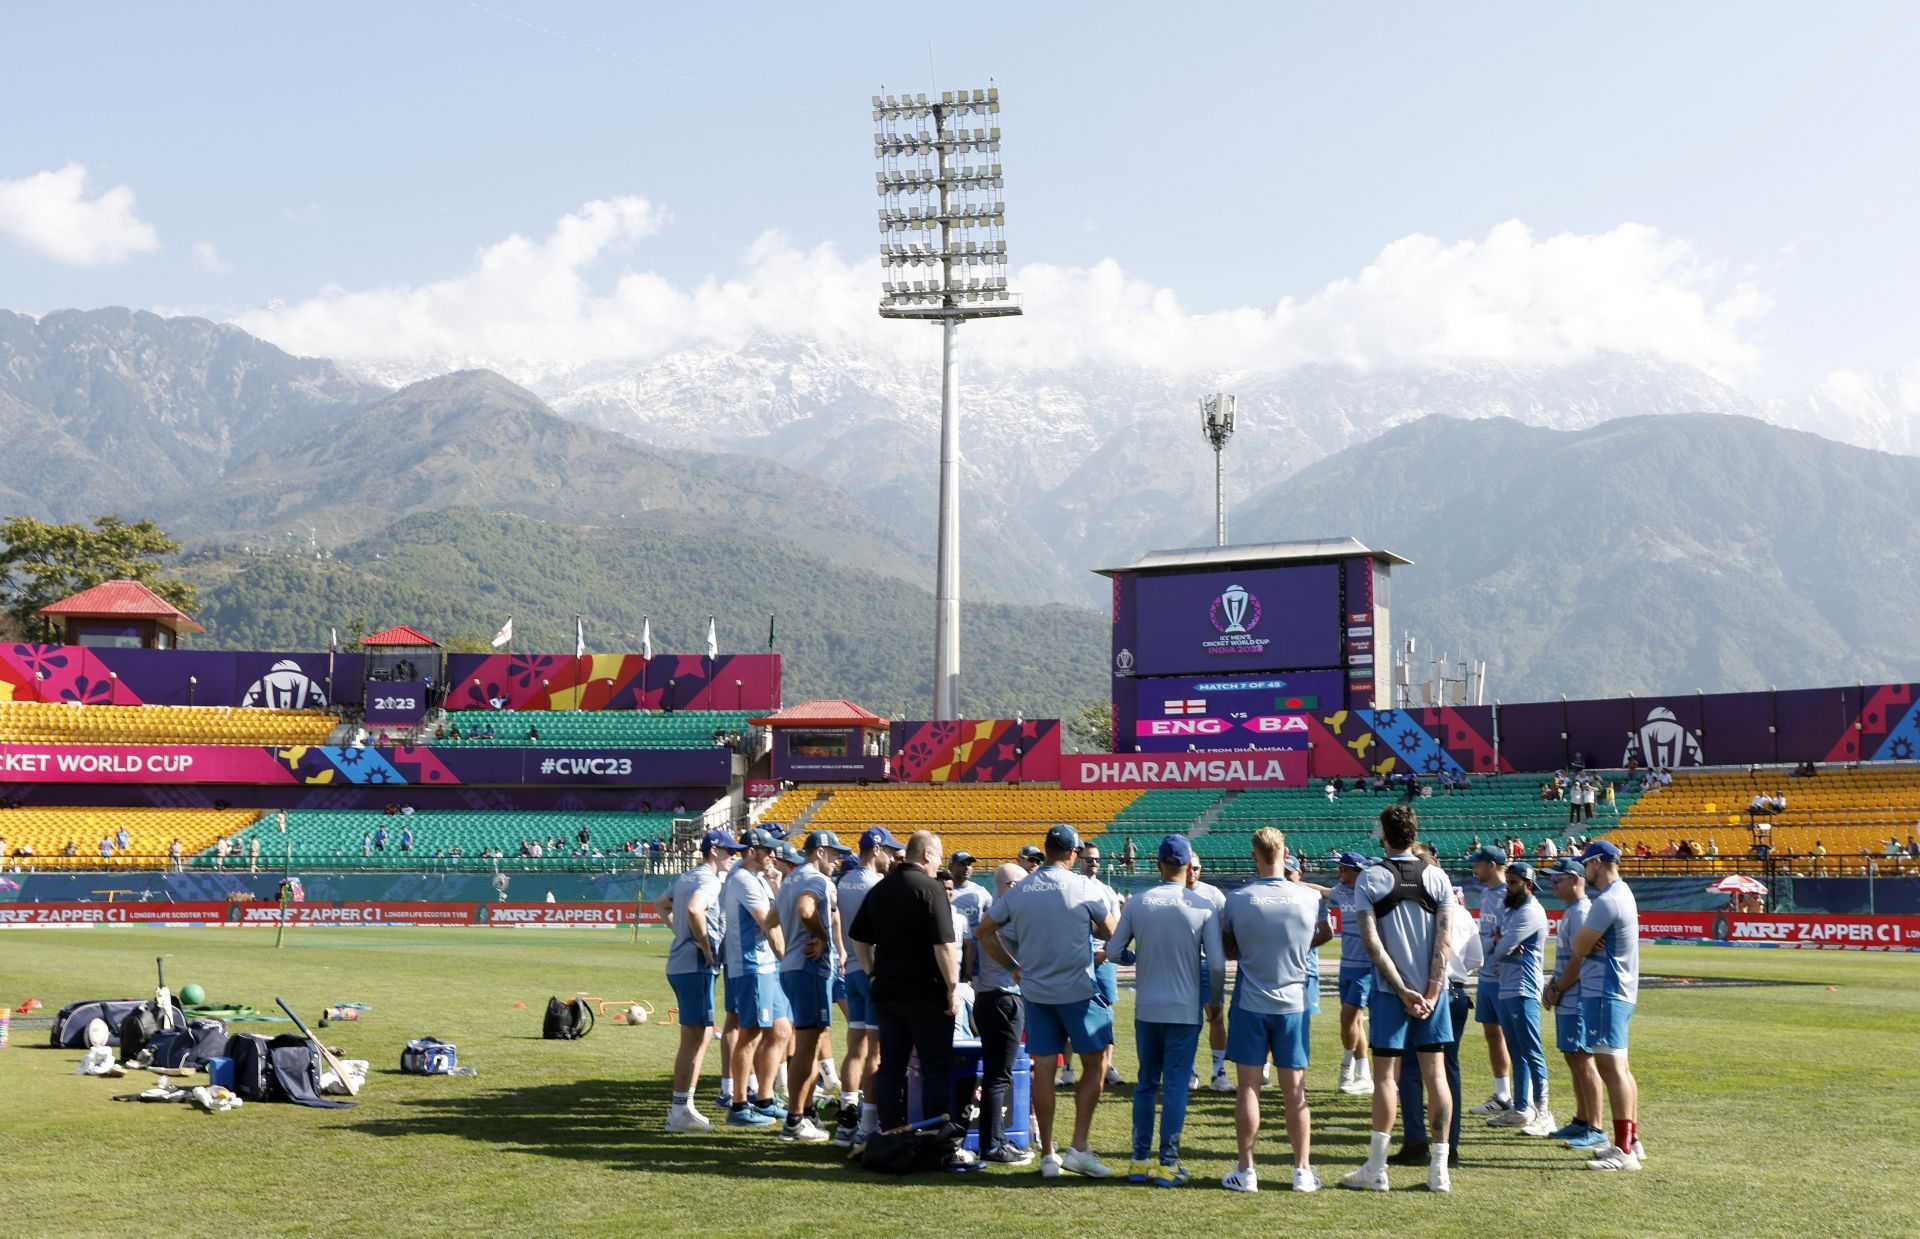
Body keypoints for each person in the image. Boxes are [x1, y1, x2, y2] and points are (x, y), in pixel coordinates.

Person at [978, 824, 1119, 1179]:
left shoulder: (1021, 890)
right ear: (1073, 854)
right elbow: (1113, 933)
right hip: (1077, 990)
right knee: (1098, 1061)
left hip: (1036, 991)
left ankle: (1048, 1154)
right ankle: (1080, 1146)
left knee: (1044, 1070)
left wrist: (1013, 967)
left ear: (1046, 850)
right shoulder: (1084, 886)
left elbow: (983, 931)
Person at [1341, 804, 1456, 1194]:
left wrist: (1401, 988)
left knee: (1386, 1078)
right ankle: (1439, 1171)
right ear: (1414, 833)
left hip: (1392, 994)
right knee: (1436, 1075)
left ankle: (1376, 1169)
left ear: (1384, 835)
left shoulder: (1371, 877)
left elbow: (1371, 943)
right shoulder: (1438, 877)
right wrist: (1431, 990)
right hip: (1431, 994)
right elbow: (1444, 940)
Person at [1107, 834, 1222, 1188]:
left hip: (1148, 1008)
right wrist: (1215, 1002)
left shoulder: (1139, 902)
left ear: (1158, 864)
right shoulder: (1203, 905)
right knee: (1175, 1086)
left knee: (1145, 1083)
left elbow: (1113, 952)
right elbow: (1216, 964)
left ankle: (1139, 1160)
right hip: (1184, 1009)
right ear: (1189, 866)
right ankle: (1168, 1163)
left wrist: (1134, 957)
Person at [1218, 828, 1321, 1194]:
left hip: (1251, 1000)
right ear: (1286, 852)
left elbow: (1229, 947)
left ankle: (1247, 1171)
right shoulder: (1308, 898)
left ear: (1254, 855)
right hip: (1293, 1001)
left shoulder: (1238, 899)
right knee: (1295, 1091)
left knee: (1249, 1086)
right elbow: (1314, 937)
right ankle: (1302, 1171)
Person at [846, 830, 961, 1149]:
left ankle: (892, 1134)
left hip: (887, 992)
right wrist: (953, 987)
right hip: (925, 993)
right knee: (934, 1065)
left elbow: (859, 938)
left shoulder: (881, 888)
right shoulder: (932, 889)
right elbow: (944, 945)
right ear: (926, 855)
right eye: (939, 856)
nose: (940, 862)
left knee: (891, 1065)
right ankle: (934, 1137)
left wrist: (872, 972)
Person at [1545, 840, 1645, 1171]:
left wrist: (1586, 939)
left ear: (1597, 863)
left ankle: (1624, 1151)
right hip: (1618, 989)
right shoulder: (1624, 894)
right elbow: (1585, 942)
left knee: (1611, 1069)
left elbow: (1580, 945)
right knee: (1621, 1069)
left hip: (1605, 990)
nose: (1584, 870)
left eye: (1586, 864)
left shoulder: (1607, 901)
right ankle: (1631, 1141)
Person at [661, 829, 745, 1133]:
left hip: (681, 964)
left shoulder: (687, 877)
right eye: (729, 851)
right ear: (714, 851)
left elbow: (662, 905)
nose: (733, 856)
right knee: (693, 1039)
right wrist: (705, 945)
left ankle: (684, 1108)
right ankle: (679, 1112)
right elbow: (695, 909)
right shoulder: (708, 880)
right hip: (695, 966)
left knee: (701, 1034)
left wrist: (681, 933)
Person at [775, 829, 852, 1143]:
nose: (836, 860)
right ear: (820, 851)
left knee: (809, 1042)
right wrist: (821, 937)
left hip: (794, 967)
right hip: (809, 970)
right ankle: (795, 1119)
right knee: (808, 1045)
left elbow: (770, 921)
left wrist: (785, 951)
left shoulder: (788, 880)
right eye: (834, 854)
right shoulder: (816, 879)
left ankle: (805, 1113)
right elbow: (806, 911)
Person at [832, 826, 904, 1148]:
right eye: (889, 851)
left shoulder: (841, 882)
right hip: (871, 970)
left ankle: (847, 1118)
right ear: (876, 849)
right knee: (875, 1051)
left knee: (855, 1048)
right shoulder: (878, 885)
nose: (892, 857)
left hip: (850, 971)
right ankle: (868, 1124)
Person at [719, 827, 790, 1128]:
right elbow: (768, 923)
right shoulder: (743, 880)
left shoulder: (755, 878)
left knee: (781, 1031)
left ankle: (764, 1099)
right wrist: (790, 959)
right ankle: (738, 1106)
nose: (774, 854)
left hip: (763, 966)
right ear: (752, 852)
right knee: (751, 1034)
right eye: (768, 850)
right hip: (752, 967)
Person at [1541, 857, 1606, 1150]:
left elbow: (1579, 961)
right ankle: (1582, 1120)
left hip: (1577, 997)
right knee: (1572, 1057)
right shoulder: (1572, 911)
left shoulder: (1581, 912)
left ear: (1575, 880)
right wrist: (1553, 986)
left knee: (1583, 1059)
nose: (1553, 884)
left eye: (1558, 879)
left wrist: (1556, 987)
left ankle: (1595, 1126)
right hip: (1568, 996)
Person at [1486, 862, 1553, 1137]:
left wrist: (1503, 945)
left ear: (1527, 885)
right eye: (1508, 882)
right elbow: (1499, 942)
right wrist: (1503, 945)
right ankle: (1522, 1109)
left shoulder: (1530, 911)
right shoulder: (1514, 910)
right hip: (1508, 986)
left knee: (1531, 1051)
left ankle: (1545, 1114)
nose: (1509, 887)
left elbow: (1500, 947)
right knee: (1517, 1052)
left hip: (1523, 987)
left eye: (1513, 883)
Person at [975, 862, 1033, 1165]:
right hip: (1004, 998)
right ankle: (993, 1145)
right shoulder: (1008, 916)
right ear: (1011, 887)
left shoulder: (996, 913)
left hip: (988, 997)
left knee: (997, 1075)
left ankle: (994, 1139)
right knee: (1000, 1076)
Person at [1065, 842, 1125, 1088]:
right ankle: (1068, 1069)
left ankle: (1107, 1067)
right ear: (1079, 860)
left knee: (1106, 1012)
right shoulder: (1070, 888)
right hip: (1075, 959)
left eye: (1097, 859)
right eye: (1089, 859)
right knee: (1069, 1011)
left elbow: (1118, 928)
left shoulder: (1107, 891)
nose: (1094, 863)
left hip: (1103, 957)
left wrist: (1105, 953)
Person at [1463, 844, 1515, 1119]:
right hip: (1486, 975)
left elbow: (1508, 937)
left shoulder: (1510, 893)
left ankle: (1524, 1101)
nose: (1474, 869)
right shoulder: (1486, 894)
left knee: (1512, 1038)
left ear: (1491, 865)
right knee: (1492, 1035)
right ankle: (1502, 1094)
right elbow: (1490, 936)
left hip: (1503, 976)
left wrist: (1493, 948)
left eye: (1478, 864)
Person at [1327, 851, 1376, 1096]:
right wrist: (1294, 883)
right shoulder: (1342, 890)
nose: (1339, 873)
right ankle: (1364, 1075)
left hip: (1365, 968)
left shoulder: (1370, 892)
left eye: (1343, 869)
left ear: (1355, 870)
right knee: (1355, 1022)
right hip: (1346, 966)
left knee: (1348, 1019)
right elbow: (1323, 891)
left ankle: (1346, 1066)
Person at [1188, 857, 1232, 1092]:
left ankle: (1218, 1072)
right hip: (1183, 966)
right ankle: (1190, 1070)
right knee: (1187, 1020)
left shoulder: (1214, 894)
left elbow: (1227, 930)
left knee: (1216, 1017)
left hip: (1209, 966)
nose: (1191, 871)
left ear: (1201, 869)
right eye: (1188, 866)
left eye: (1195, 867)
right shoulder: (1174, 893)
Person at [947, 850, 991, 985]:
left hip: (976, 959)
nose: (966, 867)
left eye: (969, 864)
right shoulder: (943, 890)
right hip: (950, 953)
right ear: (951, 866)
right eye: (961, 864)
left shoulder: (981, 892)